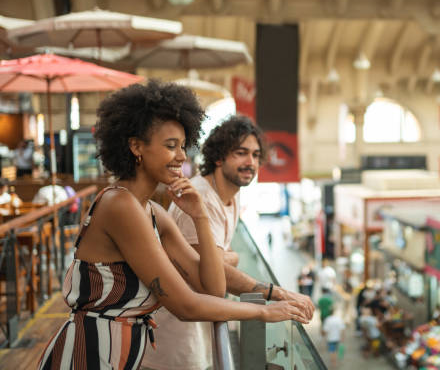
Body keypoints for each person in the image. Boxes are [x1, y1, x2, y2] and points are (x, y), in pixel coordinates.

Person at [37, 81, 309, 370]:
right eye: (170, 146)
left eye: (182, 146)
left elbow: (213, 289)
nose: (181, 156)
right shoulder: (120, 205)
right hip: (86, 357)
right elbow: (185, 305)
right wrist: (263, 312)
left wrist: (200, 216)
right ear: (136, 146)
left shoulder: (153, 211)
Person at [142, 115, 314, 370]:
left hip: (195, 335)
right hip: (173, 345)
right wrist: (277, 293)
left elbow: (222, 259)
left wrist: (227, 258)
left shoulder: (229, 198)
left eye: (256, 155)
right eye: (241, 153)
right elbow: (212, 275)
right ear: (219, 157)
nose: (251, 162)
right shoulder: (200, 198)